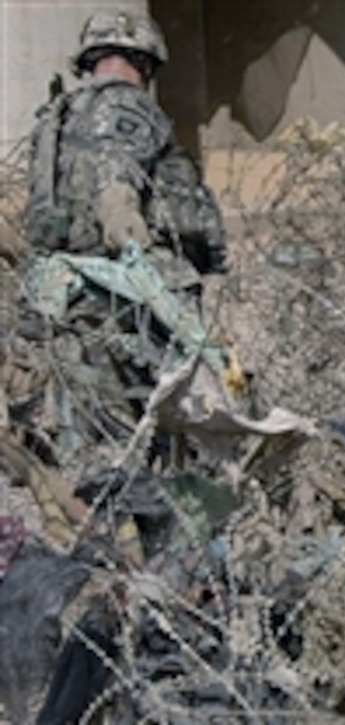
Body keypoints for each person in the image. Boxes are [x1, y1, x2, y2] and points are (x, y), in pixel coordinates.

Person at [19, 8, 229, 464]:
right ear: (146, 62)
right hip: (137, 289)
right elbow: (117, 177)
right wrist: (133, 248)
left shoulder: (55, 118)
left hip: (72, 289)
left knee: (103, 437)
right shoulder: (124, 104)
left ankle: (119, 523)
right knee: (182, 420)